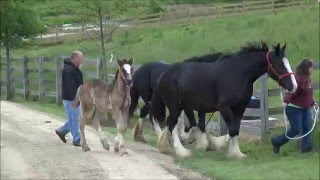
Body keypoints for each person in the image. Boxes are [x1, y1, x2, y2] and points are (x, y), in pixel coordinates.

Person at [271, 59, 318, 153]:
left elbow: (307, 94)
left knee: (307, 128)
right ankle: (276, 142)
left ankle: (307, 149)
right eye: (310, 67)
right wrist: (286, 101)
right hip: (294, 108)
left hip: (305, 109)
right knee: (295, 130)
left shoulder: (307, 79)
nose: (312, 69)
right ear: (306, 68)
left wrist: (312, 103)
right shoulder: (298, 78)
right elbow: (291, 90)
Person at [55, 51, 84, 146]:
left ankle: (61, 131)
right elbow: (70, 87)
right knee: (75, 119)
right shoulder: (68, 70)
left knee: (75, 118)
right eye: (81, 58)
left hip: (74, 98)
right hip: (70, 99)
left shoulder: (74, 69)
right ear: (75, 58)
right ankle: (76, 139)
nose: (82, 60)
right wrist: (76, 100)